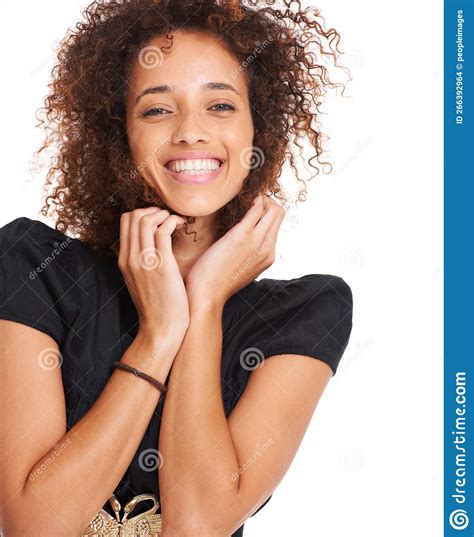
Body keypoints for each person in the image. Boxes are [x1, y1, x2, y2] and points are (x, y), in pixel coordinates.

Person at [0, 0, 353, 535]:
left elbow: (198, 525)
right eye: (157, 110)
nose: (191, 131)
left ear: (259, 129)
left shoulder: (306, 312)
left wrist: (204, 303)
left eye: (220, 106)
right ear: (119, 135)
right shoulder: (34, 266)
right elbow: (33, 527)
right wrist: (159, 333)